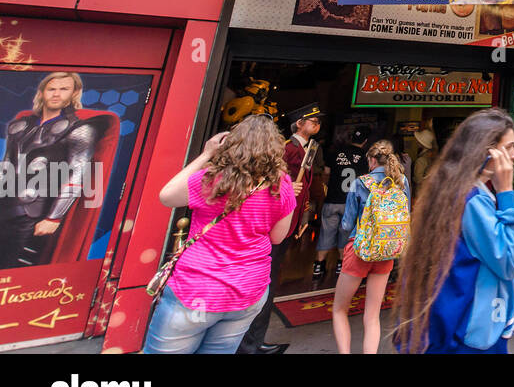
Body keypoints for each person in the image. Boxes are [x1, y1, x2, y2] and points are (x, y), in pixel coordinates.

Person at [144, 116, 295, 354]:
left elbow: (167, 196)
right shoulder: (282, 185)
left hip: (198, 287)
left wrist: (206, 155)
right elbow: (278, 237)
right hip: (248, 289)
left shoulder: (213, 178)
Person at [394, 108, 514, 353]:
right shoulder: (472, 199)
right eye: (509, 147)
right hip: (474, 332)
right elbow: (509, 261)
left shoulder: (453, 188)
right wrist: (506, 194)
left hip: (450, 324)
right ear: (487, 151)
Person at [0, 71, 118, 269]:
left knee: (15, 270)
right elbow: (7, 166)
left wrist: (53, 217)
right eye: (52, 89)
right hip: (6, 204)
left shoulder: (81, 129)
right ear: (42, 92)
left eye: (64, 89)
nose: (56, 94)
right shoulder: (19, 125)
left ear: (74, 94)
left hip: (37, 210)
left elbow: (77, 173)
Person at [238, 102, 323, 355]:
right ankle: (250, 343)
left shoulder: (307, 149)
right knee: (264, 282)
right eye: (313, 121)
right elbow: (269, 182)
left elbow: (305, 184)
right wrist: (285, 189)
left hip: (289, 222)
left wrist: (304, 213)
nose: (317, 125)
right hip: (274, 223)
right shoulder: (287, 149)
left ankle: (254, 340)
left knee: (270, 281)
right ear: (299, 123)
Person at [333, 140, 409, 354]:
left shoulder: (360, 183)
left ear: (373, 160)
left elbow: (347, 224)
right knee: (372, 315)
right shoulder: (401, 181)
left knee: (340, 310)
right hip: (386, 252)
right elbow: (407, 215)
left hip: (359, 251)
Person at [315, 126, 369, 279]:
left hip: (332, 199)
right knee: (345, 236)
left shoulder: (336, 153)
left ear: (351, 139)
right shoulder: (365, 157)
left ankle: (318, 266)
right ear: (365, 141)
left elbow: (326, 173)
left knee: (326, 232)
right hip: (351, 203)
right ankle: (341, 264)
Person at [411, 126, 439, 193]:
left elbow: (418, 179)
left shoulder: (421, 159)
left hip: (421, 190)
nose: (417, 141)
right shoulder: (429, 156)